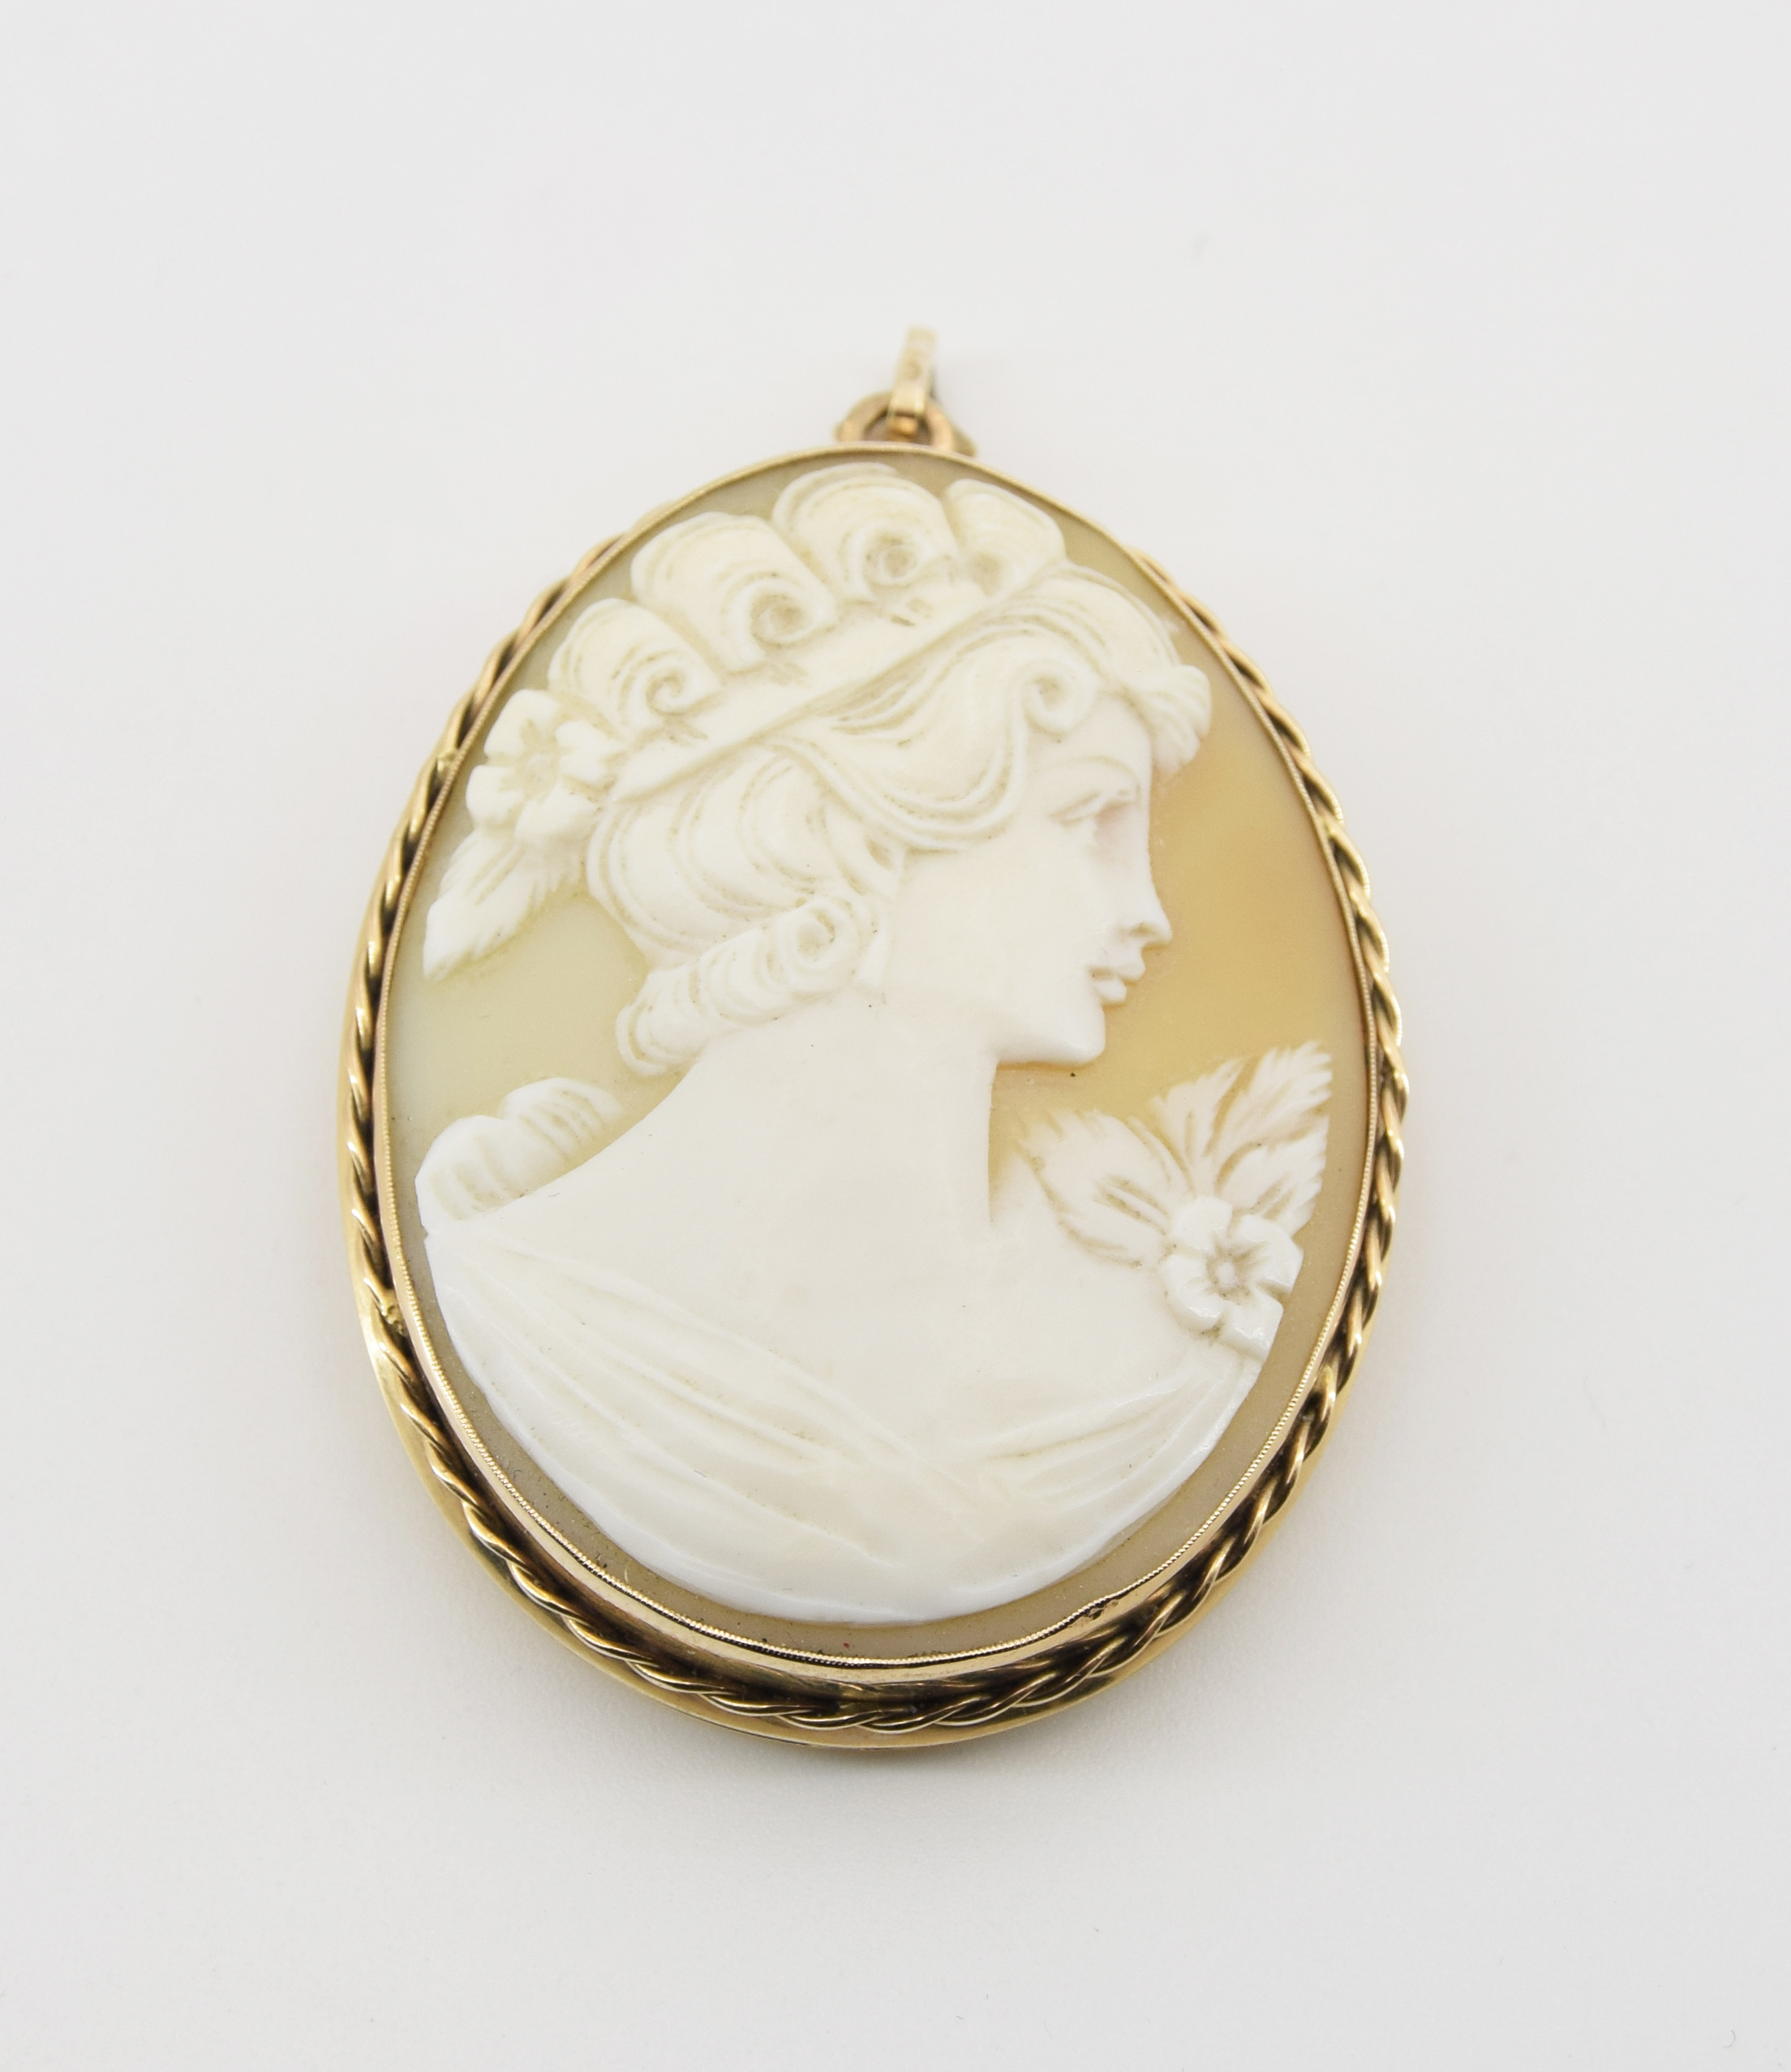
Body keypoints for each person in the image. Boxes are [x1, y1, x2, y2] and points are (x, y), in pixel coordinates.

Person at [416, 465, 1325, 1623]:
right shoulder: (523, 1312)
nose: (1149, 911)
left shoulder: (1147, 1343)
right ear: (848, 839)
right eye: (1087, 818)